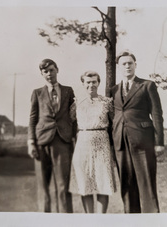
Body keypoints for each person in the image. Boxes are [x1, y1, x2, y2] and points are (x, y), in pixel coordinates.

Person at [110, 50, 164, 213]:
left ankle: (152, 219)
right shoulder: (113, 90)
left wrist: (159, 142)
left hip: (143, 141)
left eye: (130, 63)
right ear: (119, 67)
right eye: (124, 64)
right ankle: (131, 219)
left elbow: (157, 114)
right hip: (121, 141)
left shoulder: (147, 85)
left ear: (135, 65)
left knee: (147, 183)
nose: (127, 66)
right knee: (126, 185)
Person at [27, 59, 77, 213]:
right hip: (41, 142)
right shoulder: (37, 93)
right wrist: (31, 142)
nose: (49, 74)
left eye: (51, 70)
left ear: (57, 70)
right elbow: (33, 118)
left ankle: (66, 220)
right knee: (43, 186)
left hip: (62, 141)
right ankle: (45, 219)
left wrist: (74, 138)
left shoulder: (68, 91)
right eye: (45, 71)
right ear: (42, 74)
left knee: (63, 185)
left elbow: (73, 118)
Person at [69, 71, 116, 213]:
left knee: (103, 182)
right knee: (85, 183)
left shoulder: (107, 102)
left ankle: (100, 219)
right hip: (82, 144)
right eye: (88, 82)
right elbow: (69, 122)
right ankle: (89, 218)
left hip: (102, 143)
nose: (91, 85)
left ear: (98, 83)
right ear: (83, 84)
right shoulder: (77, 103)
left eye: (94, 82)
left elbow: (114, 123)